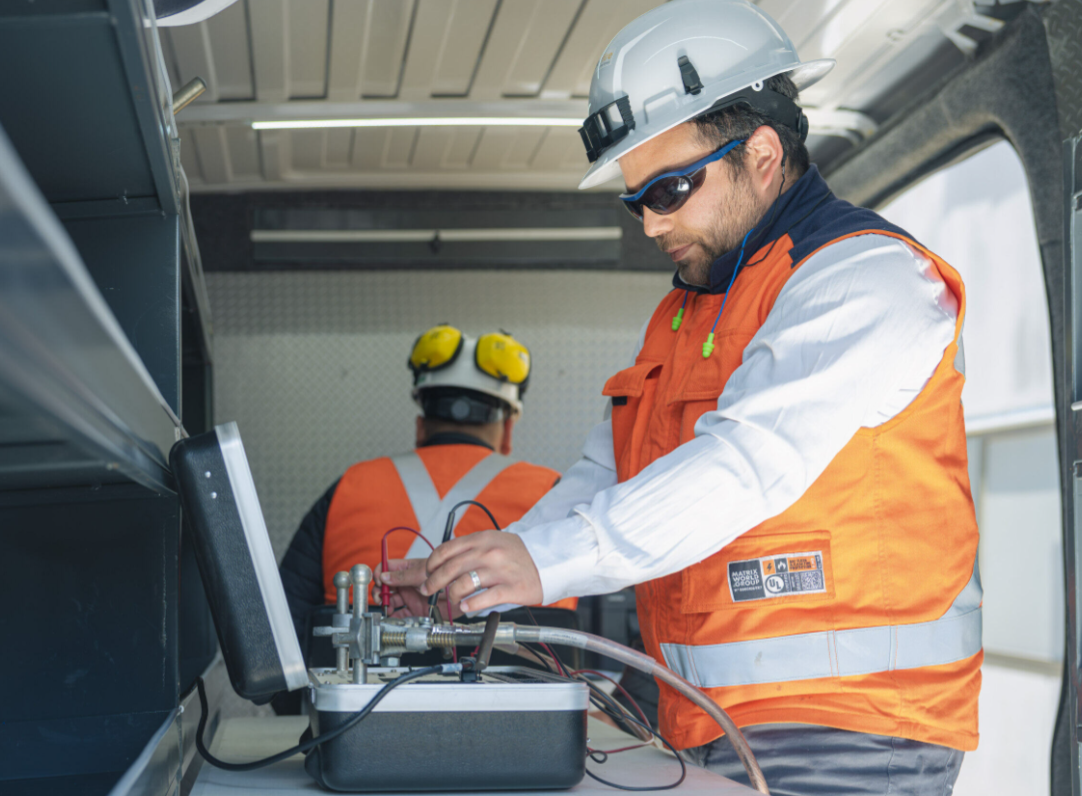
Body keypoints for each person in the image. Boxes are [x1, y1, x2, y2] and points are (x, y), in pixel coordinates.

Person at [382, 2, 980, 793]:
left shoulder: (864, 280)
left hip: (851, 730)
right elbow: (607, 480)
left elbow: (744, 465)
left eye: (670, 188)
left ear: (763, 153)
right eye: (636, 200)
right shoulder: (685, 314)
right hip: (706, 722)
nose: (651, 224)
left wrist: (544, 561)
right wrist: (481, 571)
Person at [279, 324, 575, 644]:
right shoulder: (554, 492)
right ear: (507, 432)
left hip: (360, 690)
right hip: (526, 691)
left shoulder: (348, 487)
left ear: (421, 427)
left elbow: (282, 635)